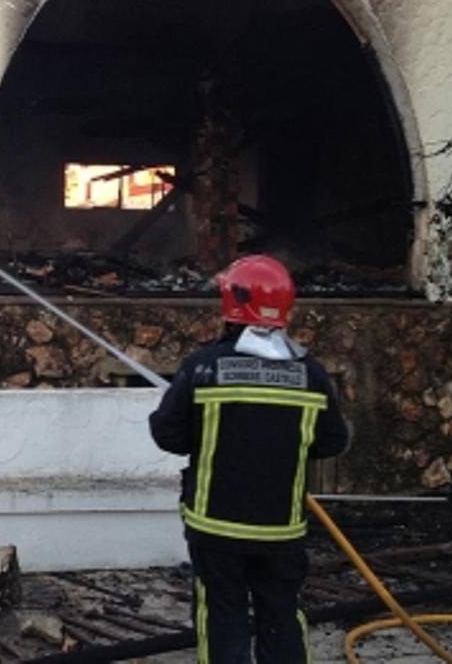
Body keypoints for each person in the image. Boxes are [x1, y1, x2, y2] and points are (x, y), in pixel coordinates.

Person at [149, 254, 349, 664]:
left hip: (215, 526)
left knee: (223, 617)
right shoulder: (311, 373)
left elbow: (166, 433)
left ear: (231, 305)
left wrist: (209, 437)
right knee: (282, 615)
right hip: (281, 529)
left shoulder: (203, 367)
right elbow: (333, 441)